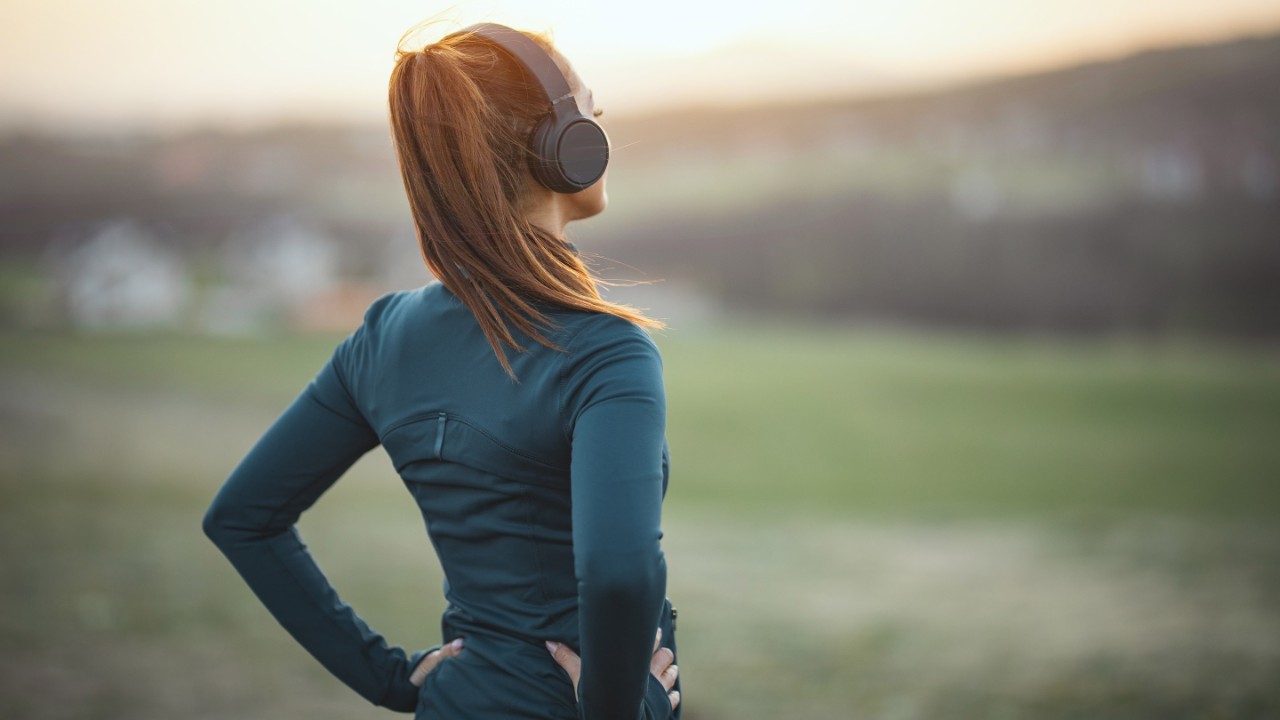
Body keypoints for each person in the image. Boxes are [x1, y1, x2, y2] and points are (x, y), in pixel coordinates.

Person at [201, 21, 681, 720]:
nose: (598, 123)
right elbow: (615, 575)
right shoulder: (608, 351)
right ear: (564, 146)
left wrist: (390, 679)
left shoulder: (382, 336)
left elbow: (244, 518)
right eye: (587, 108)